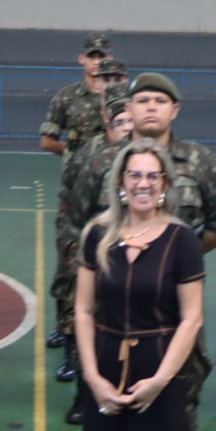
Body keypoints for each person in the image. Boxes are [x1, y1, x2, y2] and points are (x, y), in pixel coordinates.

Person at [73, 138, 205, 431]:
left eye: (152, 176)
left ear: (165, 185)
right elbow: (83, 310)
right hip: (106, 362)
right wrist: (91, 375)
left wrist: (161, 380)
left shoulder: (181, 241)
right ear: (121, 184)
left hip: (157, 366)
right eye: (135, 176)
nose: (143, 183)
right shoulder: (97, 236)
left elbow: (191, 319)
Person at [124, 73, 216, 431]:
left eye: (160, 101)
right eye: (142, 100)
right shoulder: (105, 161)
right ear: (129, 109)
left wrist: (174, 264)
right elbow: (81, 224)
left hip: (176, 312)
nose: (150, 107)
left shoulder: (201, 162)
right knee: (117, 397)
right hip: (120, 311)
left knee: (180, 402)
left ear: (175, 110)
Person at [53, 87, 134, 407]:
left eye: (130, 120)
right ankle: (80, 390)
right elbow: (73, 206)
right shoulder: (90, 156)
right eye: (120, 121)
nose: (126, 126)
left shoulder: (148, 158)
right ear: (109, 123)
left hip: (133, 252)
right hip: (93, 248)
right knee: (83, 312)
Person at [41, 34, 115, 162]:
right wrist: (74, 154)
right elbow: (47, 142)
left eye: (101, 57)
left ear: (110, 59)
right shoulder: (66, 97)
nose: (96, 62)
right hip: (76, 177)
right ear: (81, 59)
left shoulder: (120, 97)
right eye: (91, 57)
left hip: (111, 175)